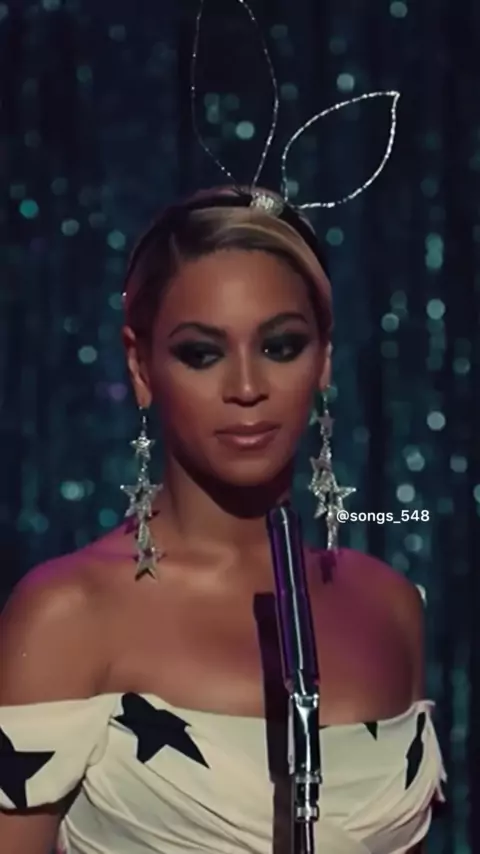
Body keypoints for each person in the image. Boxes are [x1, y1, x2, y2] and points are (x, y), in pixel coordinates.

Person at [0, 186, 445, 854]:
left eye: (281, 346)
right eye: (201, 353)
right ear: (140, 365)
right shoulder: (66, 617)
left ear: (324, 357)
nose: (246, 387)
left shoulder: (391, 607)